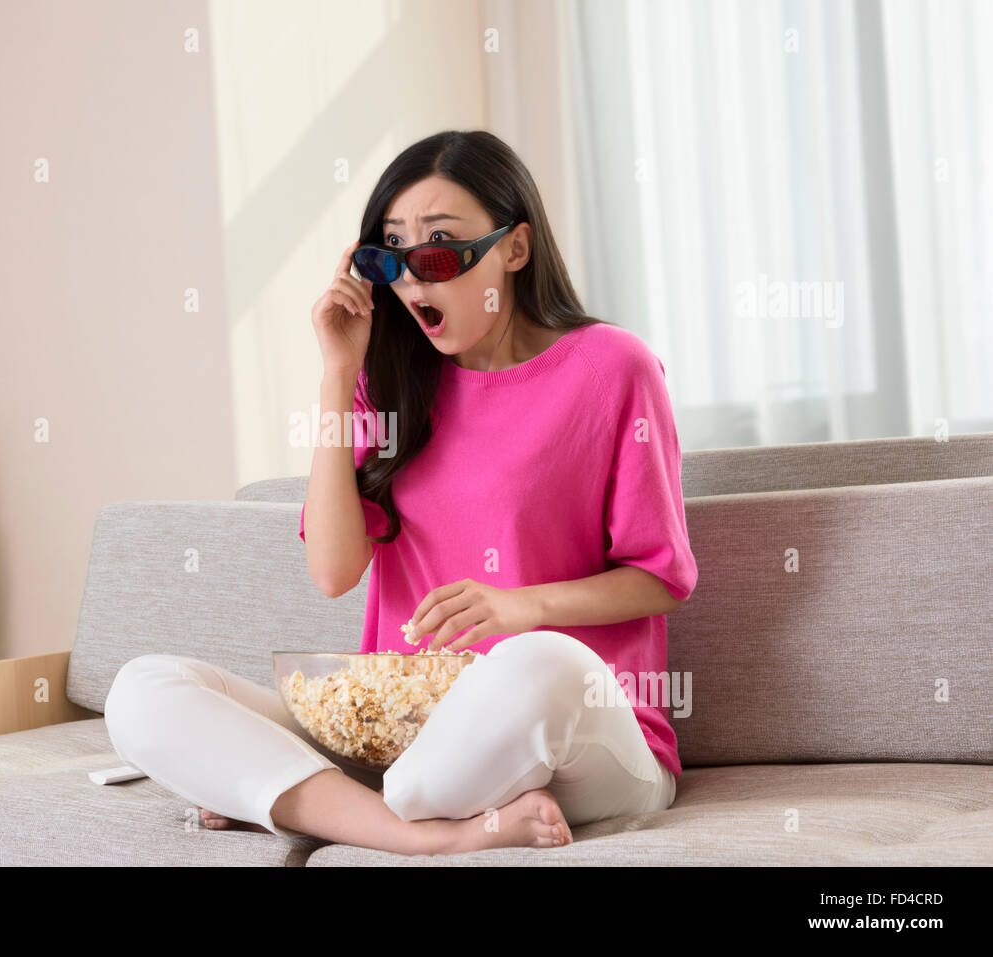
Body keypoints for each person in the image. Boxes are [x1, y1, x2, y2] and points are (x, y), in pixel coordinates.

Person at [104, 129, 698, 856]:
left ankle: (310, 800)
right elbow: (332, 571)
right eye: (390, 256)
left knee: (540, 663)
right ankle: (424, 834)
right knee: (145, 689)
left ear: (515, 249)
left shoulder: (613, 367)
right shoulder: (388, 383)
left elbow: (661, 578)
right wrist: (336, 370)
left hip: (583, 735)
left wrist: (519, 607)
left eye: (440, 252)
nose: (413, 281)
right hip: (406, 734)